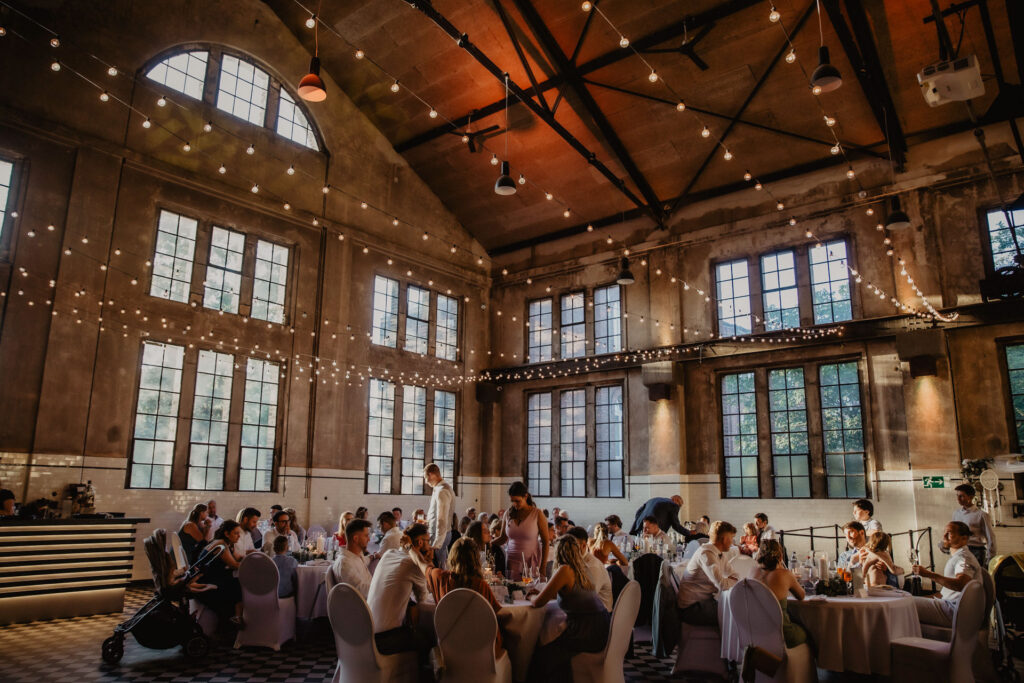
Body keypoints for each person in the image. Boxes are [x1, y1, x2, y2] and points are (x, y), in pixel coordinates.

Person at [529, 535, 611, 682]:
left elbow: (537, 603)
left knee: (542, 657)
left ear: (559, 553)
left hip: (586, 630)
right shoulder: (583, 567)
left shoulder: (565, 570)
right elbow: (570, 593)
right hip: (602, 625)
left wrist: (530, 597)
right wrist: (541, 592)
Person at [426, 537, 507, 657]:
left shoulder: (440, 577)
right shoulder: (480, 585)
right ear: (476, 559)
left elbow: (422, 564)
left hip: (451, 649)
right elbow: (497, 614)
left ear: (452, 556)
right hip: (482, 651)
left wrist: (410, 548)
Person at [366, 523, 431, 655]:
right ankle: (414, 675)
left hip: (367, 633)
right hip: (386, 639)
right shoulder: (412, 564)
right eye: (428, 541)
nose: (430, 546)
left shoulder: (388, 554)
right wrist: (427, 562)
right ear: (419, 542)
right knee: (429, 639)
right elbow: (423, 601)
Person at [913, 521, 982, 628]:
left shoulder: (963, 557)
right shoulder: (958, 556)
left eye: (949, 533)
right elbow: (945, 594)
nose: (944, 536)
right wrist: (925, 598)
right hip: (953, 607)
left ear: (964, 538)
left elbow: (961, 585)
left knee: (906, 605)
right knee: (908, 600)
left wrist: (928, 574)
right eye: (944, 532)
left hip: (957, 612)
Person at [677, 521, 739, 627]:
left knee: (737, 610)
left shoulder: (718, 553)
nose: (732, 542)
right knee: (735, 615)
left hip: (703, 601)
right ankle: (728, 643)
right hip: (691, 608)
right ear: (724, 539)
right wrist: (730, 581)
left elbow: (735, 575)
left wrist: (730, 580)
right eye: (731, 538)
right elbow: (723, 585)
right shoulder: (706, 554)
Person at [748, 539, 807, 648]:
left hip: (756, 633)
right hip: (782, 634)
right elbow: (801, 596)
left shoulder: (752, 571)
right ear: (780, 556)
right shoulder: (784, 574)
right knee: (810, 631)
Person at [493, 481, 549, 580]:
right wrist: (488, 543)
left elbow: (545, 542)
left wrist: (543, 567)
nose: (514, 504)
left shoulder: (537, 514)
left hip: (530, 561)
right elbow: (503, 538)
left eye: (517, 501)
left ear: (526, 496)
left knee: (528, 591)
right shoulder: (508, 514)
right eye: (512, 501)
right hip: (511, 561)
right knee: (512, 589)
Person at [194, 519, 245, 627]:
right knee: (237, 584)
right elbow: (234, 565)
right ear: (227, 534)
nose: (238, 536)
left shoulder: (227, 543)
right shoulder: (221, 545)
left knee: (235, 582)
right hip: (206, 580)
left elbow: (239, 558)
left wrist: (251, 555)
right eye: (236, 533)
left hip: (213, 577)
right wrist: (252, 565)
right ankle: (236, 618)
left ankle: (234, 618)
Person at [568, 527, 613, 611]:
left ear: (583, 545)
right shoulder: (577, 561)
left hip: (599, 615)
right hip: (586, 610)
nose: (568, 550)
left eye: (572, 546)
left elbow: (587, 599)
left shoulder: (592, 567)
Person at [952, 483, 996, 565]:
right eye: (957, 496)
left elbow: (990, 537)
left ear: (971, 497)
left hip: (976, 552)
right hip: (960, 550)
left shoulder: (981, 515)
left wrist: (990, 558)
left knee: (975, 577)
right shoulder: (956, 514)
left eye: (961, 496)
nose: (958, 499)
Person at [331, 519, 373, 597]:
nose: (369, 539)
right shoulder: (345, 563)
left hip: (371, 600)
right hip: (363, 607)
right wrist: (382, 588)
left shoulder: (356, 555)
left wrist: (372, 557)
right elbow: (359, 591)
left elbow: (365, 560)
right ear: (355, 538)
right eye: (366, 536)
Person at [425, 463, 455, 569]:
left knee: (439, 568)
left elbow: (442, 519)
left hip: (440, 536)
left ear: (432, 475)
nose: (426, 481)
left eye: (426, 477)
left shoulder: (442, 490)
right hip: (439, 534)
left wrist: (437, 544)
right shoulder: (439, 489)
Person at [271, 534, 298, 599]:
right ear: (287, 548)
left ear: (274, 548)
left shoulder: (270, 561)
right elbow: (296, 579)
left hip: (272, 594)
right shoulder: (292, 561)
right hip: (286, 594)